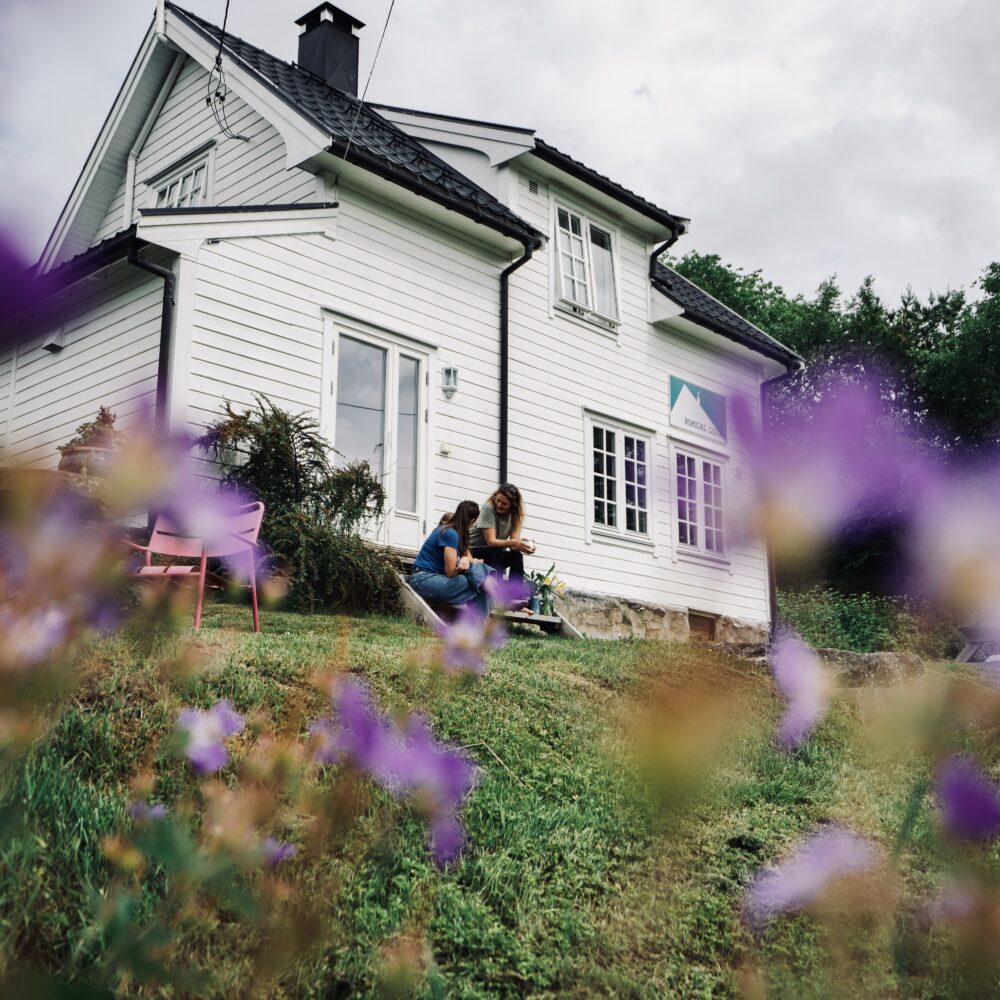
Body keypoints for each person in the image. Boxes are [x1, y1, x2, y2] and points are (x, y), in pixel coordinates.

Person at [409, 500, 490, 617]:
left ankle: (477, 627)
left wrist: (465, 559)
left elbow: (464, 559)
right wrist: (464, 564)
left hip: (431, 578)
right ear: (472, 521)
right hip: (423, 579)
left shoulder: (451, 531)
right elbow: (451, 572)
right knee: (477, 584)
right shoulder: (450, 533)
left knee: (479, 583)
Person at [468, 483, 535, 587]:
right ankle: (498, 593)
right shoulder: (488, 507)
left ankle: (515, 593)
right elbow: (491, 542)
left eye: (504, 503)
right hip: (471, 550)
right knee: (496, 552)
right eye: (498, 500)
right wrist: (515, 542)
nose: (499, 505)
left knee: (516, 556)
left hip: (493, 554)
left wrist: (523, 546)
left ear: (513, 506)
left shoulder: (516, 516)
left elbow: (513, 547)